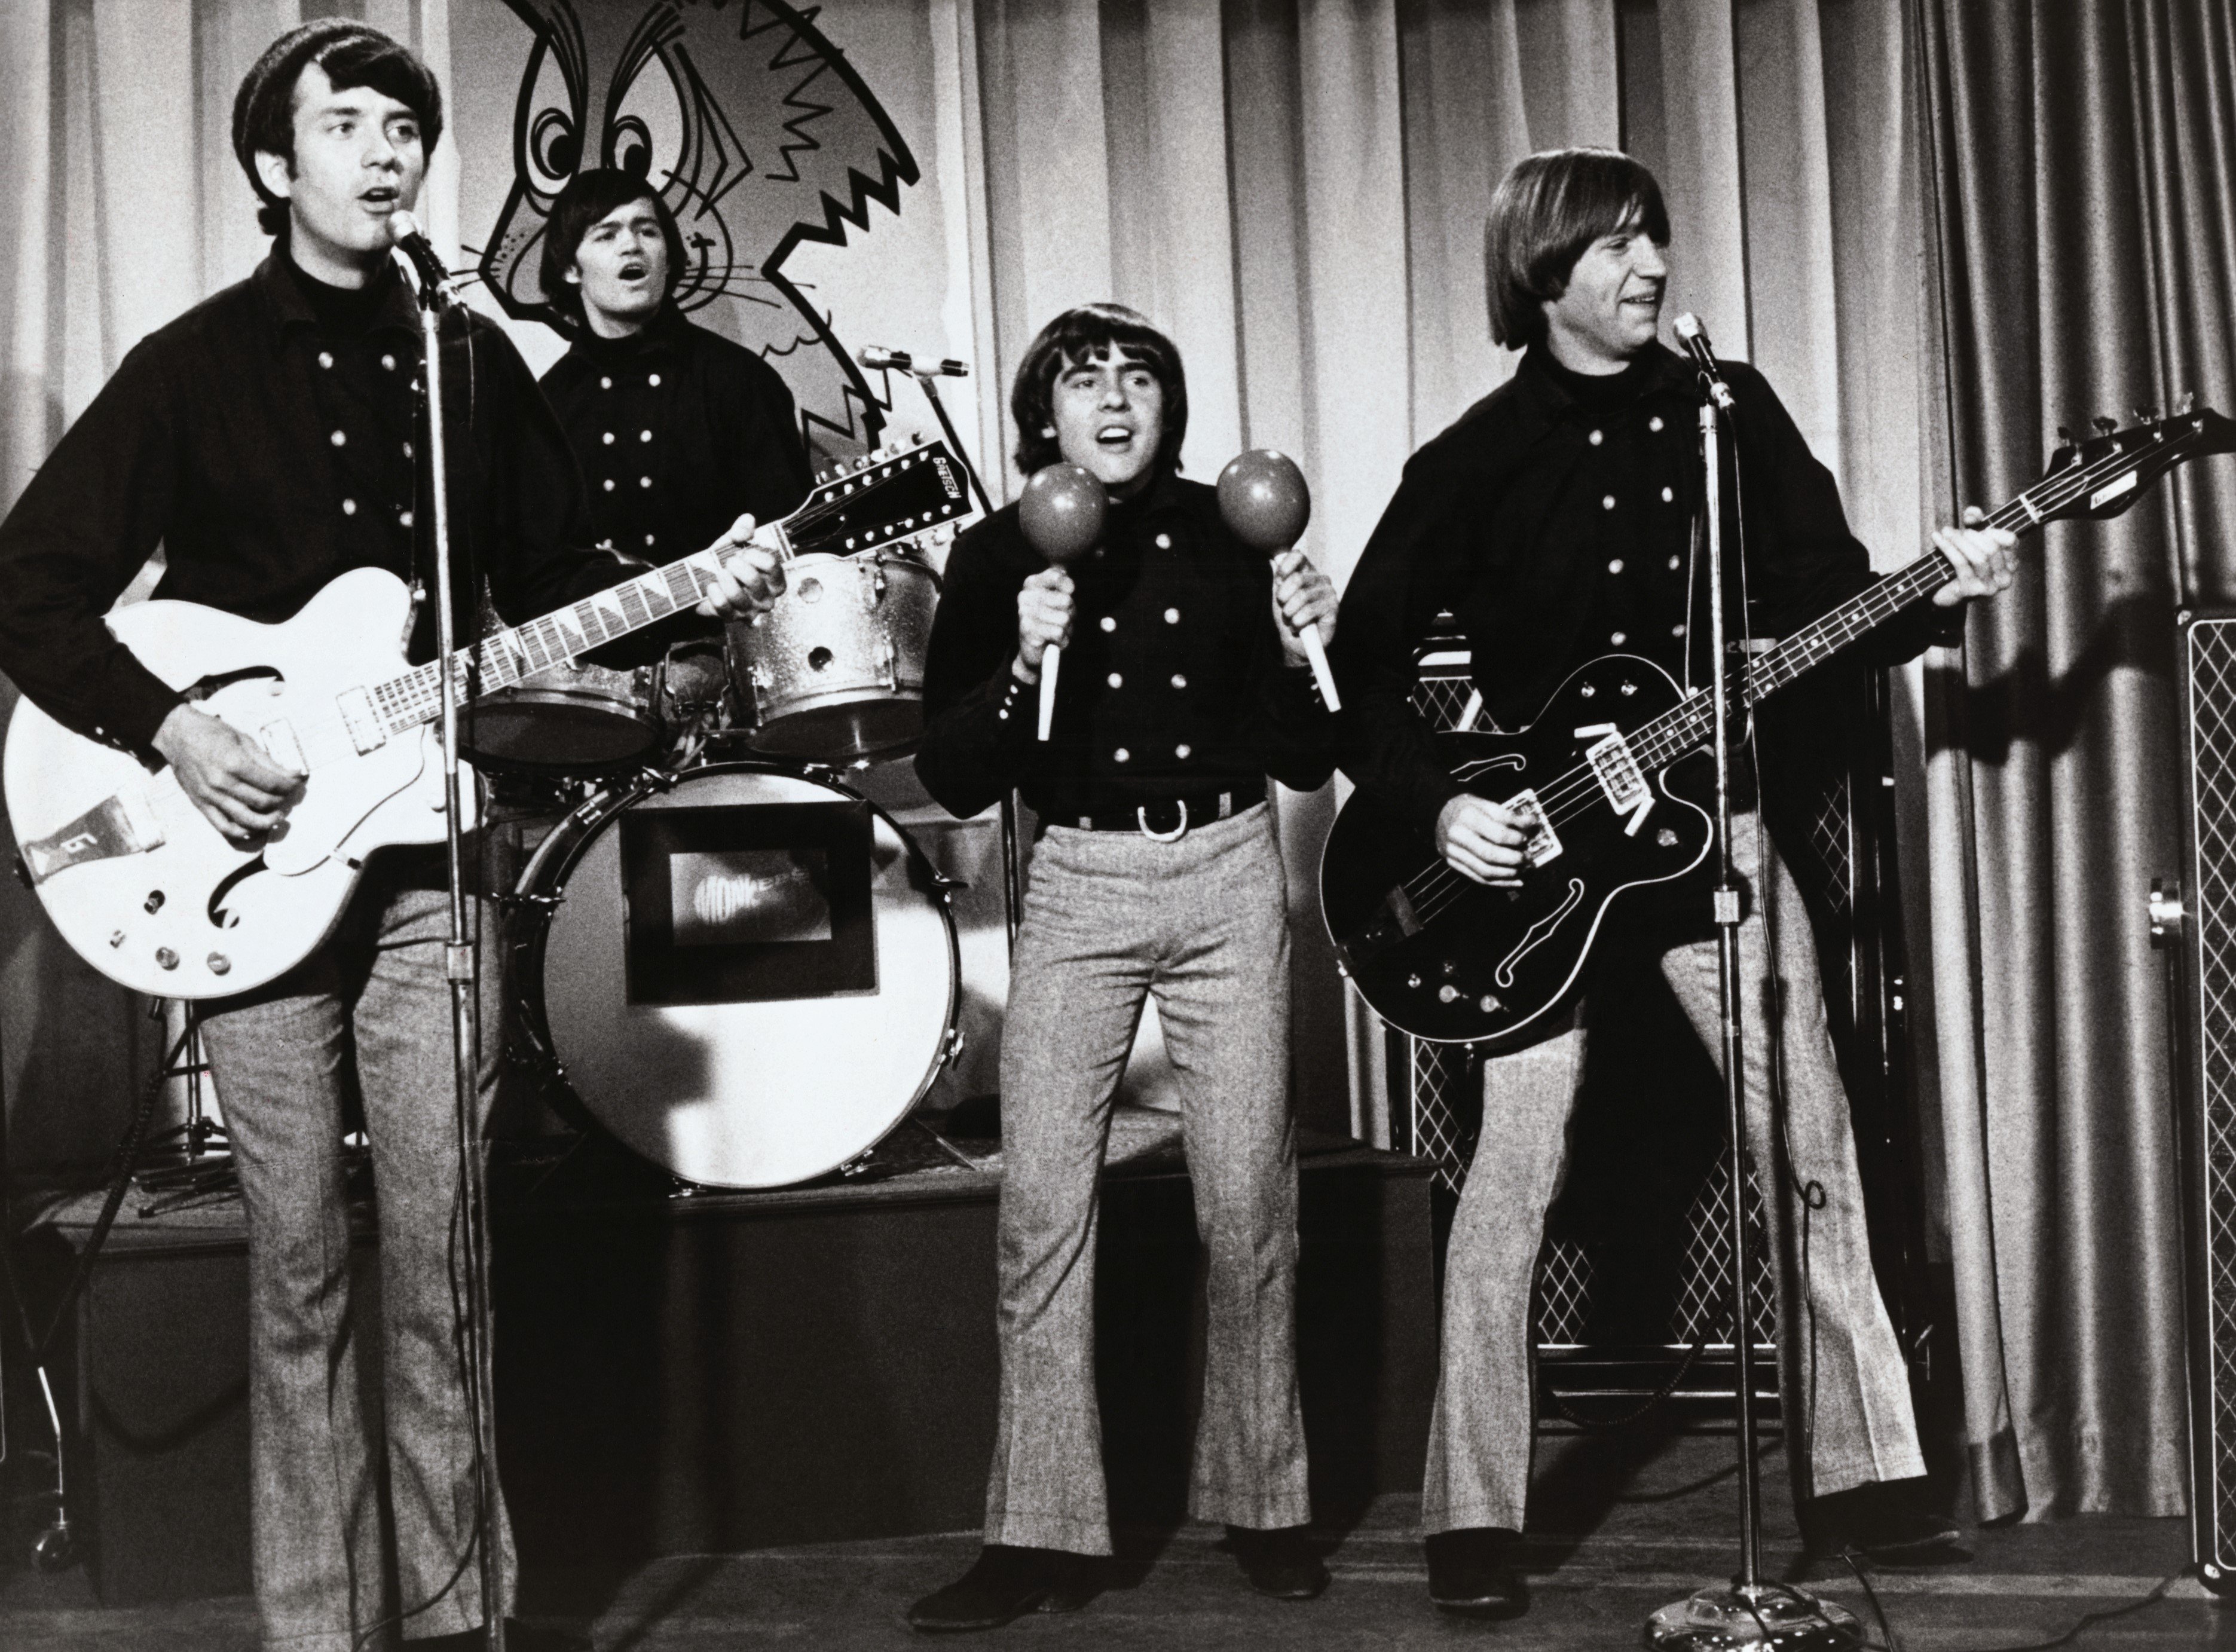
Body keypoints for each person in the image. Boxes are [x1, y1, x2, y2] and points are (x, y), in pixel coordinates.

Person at [0, 22, 779, 1650]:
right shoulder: (193, 365)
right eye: (345, 125)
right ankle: (317, 1627)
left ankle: (454, 1619)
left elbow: (555, 591)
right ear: (276, 167)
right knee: (298, 1269)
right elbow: (30, 586)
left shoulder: (470, 360)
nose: (385, 151)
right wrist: (179, 731)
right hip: (249, 868)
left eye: (405, 127)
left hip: (432, 857)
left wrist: (696, 585)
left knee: (446, 1257)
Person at [1330, 148, 2018, 1619]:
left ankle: (1872, 1479)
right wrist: (1447, 804)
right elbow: (1363, 668)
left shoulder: (1727, 412)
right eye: (1617, 243)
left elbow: (1832, 597)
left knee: (1816, 1142)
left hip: (1718, 829)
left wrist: (1929, 595)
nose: (1650, 264)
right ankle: (1473, 1518)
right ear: (1542, 272)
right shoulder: (1467, 462)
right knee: (1506, 1188)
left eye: (1655, 237)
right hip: (1539, 877)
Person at [906, 304, 1339, 1631]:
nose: (1112, 397)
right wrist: (1017, 656)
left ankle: (1265, 1502)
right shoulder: (996, 555)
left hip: (1221, 864)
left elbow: (1306, 759)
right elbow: (956, 771)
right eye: (1083, 378)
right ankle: (1036, 1530)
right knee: (1040, 1205)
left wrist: (1291, 639)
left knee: (1250, 1203)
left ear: (1169, 406)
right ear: (1043, 414)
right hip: (1079, 880)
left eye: (1137, 377)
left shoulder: (1236, 533)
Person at [534, 167, 812, 573]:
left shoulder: (739, 380)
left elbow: (795, 545)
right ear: (570, 268)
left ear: (668, 259)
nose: (632, 245)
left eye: (647, 231)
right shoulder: (547, 405)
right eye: (606, 234)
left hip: (727, 633)